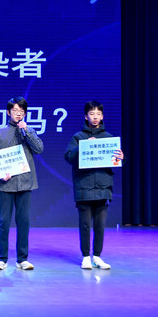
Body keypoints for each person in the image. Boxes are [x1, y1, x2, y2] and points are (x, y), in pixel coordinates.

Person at [64, 101, 124, 270]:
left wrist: (121, 157)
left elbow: (115, 161)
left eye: (98, 114)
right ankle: (85, 257)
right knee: (85, 225)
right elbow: (68, 157)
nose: (95, 117)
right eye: (91, 114)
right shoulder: (78, 137)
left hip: (103, 187)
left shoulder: (109, 138)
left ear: (102, 116)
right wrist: (83, 147)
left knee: (100, 225)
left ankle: (97, 257)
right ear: (86, 116)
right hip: (84, 186)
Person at [0, 96, 43, 271]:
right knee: (3, 222)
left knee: (24, 222)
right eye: (15, 110)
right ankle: (1, 259)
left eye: (21, 111)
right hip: (5, 185)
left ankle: (22, 259)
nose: (18, 114)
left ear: (25, 113)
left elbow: (39, 149)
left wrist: (26, 131)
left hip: (25, 183)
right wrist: (0, 176)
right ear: (8, 112)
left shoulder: (29, 131)